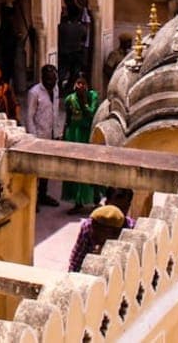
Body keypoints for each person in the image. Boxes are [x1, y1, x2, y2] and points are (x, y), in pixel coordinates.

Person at [24, 65, 63, 207]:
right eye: (48, 80)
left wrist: (58, 132)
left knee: (47, 167)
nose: (50, 83)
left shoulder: (56, 90)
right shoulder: (34, 93)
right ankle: (33, 198)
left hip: (51, 134)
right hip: (39, 136)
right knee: (36, 169)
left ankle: (43, 195)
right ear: (42, 78)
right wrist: (33, 138)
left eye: (53, 79)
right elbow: (29, 116)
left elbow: (55, 112)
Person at [61, 74, 100, 214]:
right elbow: (67, 118)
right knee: (75, 167)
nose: (80, 86)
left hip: (88, 135)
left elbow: (91, 114)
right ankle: (78, 201)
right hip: (74, 134)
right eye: (78, 83)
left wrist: (84, 102)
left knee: (90, 166)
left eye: (83, 83)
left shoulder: (93, 96)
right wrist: (64, 135)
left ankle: (96, 198)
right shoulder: (70, 99)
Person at [68, 205, 127, 272]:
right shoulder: (88, 226)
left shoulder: (127, 232)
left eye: (99, 230)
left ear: (115, 232)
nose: (93, 233)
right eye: (93, 227)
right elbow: (77, 257)